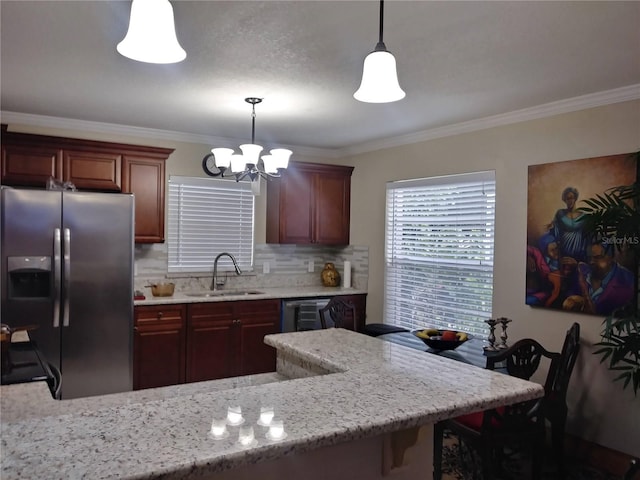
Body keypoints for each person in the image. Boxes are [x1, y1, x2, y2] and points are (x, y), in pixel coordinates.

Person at [576, 242, 635, 315]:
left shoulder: (628, 281)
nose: (591, 262)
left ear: (611, 258)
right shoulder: (582, 273)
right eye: (589, 257)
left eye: (598, 257)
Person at [549, 187, 589, 263]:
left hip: (579, 253)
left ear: (575, 198)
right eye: (567, 199)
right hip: (564, 251)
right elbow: (555, 230)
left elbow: (586, 236)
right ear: (564, 200)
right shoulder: (560, 213)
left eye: (571, 198)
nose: (570, 201)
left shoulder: (584, 216)